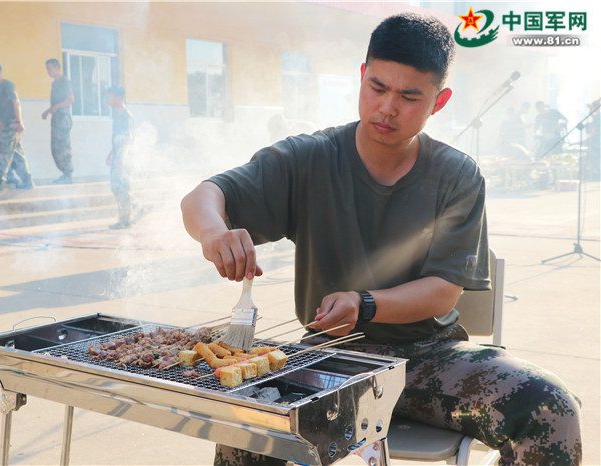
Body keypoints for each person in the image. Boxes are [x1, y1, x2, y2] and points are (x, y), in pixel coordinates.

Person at [181, 13, 581, 466]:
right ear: (361, 77)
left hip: (430, 358)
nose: (387, 108)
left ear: (439, 100)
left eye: (410, 96)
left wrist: (363, 304)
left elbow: (442, 291)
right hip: (329, 360)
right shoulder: (308, 159)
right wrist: (215, 233)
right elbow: (204, 196)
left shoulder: (456, 175)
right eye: (377, 88)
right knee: (248, 423)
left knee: (551, 409)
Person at [0, 61, 34, 190]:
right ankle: (27, 181)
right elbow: (3, 112)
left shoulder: (7, 85)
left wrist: (18, 122)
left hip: (12, 124)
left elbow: (16, 103)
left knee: (2, 152)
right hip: (6, 124)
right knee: (17, 156)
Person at [106, 86, 135, 229]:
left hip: (125, 157)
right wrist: (112, 153)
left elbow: (128, 139)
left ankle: (125, 220)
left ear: (119, 98)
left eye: (110, 97)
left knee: (122, 187)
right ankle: (128, 215)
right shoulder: (116, 114)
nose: (108, 100)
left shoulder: (126, 115)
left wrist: (122, 158)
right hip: (118, 155)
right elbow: (117, 138)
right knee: (116, 187)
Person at [42, 58, 75, 184]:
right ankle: (64, 173)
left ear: (57, 67)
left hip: (63, 118)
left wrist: (56, 107)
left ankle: (68, 175)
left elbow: (71, 99)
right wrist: (48, 110)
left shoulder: (65, 82)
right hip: (56, 118)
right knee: (55, 147)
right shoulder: (54, 83)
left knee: (63, 146)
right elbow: (56, 102)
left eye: (49, 68)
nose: (48, 72)